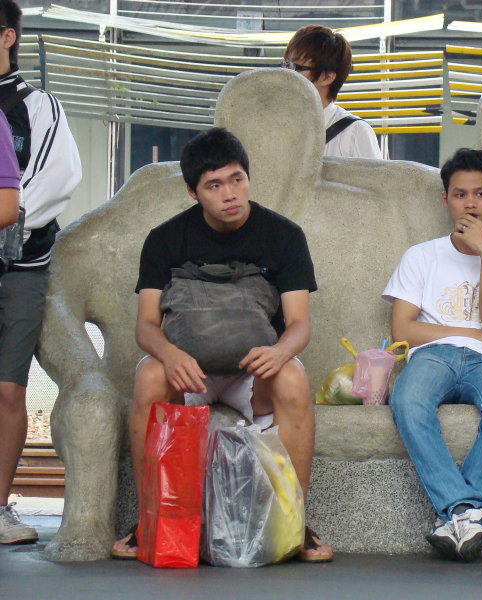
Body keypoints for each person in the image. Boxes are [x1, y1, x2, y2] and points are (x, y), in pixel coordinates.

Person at [111, 127, 332, 563]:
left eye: (237, 179)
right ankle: (148, 522)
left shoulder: (283, 235)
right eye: (214, 185)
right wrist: (170, 355)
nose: (230, 193)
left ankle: (294, 521)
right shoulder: (165, 239)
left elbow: (299, 324)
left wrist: (279, 352)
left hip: (253, 375)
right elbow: (146, 326)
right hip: (189, 370)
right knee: (149, 374)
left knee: (294, 376)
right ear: (193, 192)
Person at [382, 148, 482, 561]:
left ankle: (458, 516)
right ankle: (469, 512)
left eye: (480, 194)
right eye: (459, 194)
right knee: (407, 398)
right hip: (433, 355)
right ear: (445, 199)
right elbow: (403, 331)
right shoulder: (420, 256)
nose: (470, 204)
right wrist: (480, 337)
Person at [0, 0, 81, 545]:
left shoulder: (39, 106)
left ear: (7, 36)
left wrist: (9, 227)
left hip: (20, 270)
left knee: (7, 391)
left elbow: (57, 178)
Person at [282, 24, 381, 159]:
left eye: (296, 67)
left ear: (327, 77)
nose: (286, 73)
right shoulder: (276, 126)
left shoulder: (354, 132)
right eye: (286, 65)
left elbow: (376, 180)